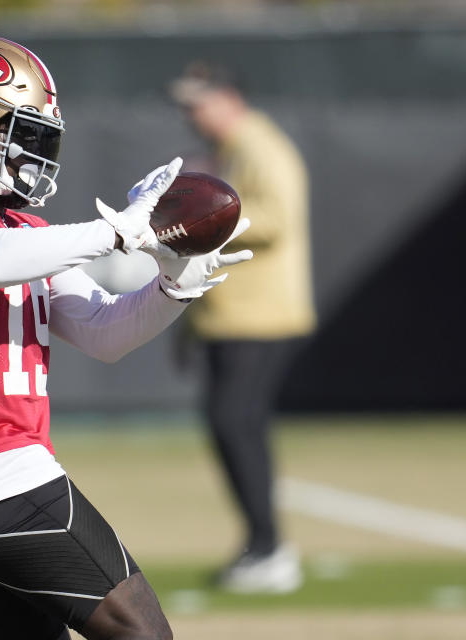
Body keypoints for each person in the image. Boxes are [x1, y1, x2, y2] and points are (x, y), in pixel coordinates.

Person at [0, 37, 252, 640]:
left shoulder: (21, 229)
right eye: (19, 133)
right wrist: (119, 232)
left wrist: (172, 286)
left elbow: (104, 331)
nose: (33, 153)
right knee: (143, 634)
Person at [169, 62, 317, 594]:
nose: (192, 113)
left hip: (261, 317)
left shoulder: (259, 145)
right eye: (186, 104)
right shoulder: (231, 149)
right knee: (233, 425)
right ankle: (262, 544)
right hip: (229, 317)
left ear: (230, 97)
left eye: (200, 101)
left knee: (236, 423)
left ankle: (270, 547)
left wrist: (203, 213)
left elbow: (278, 216)